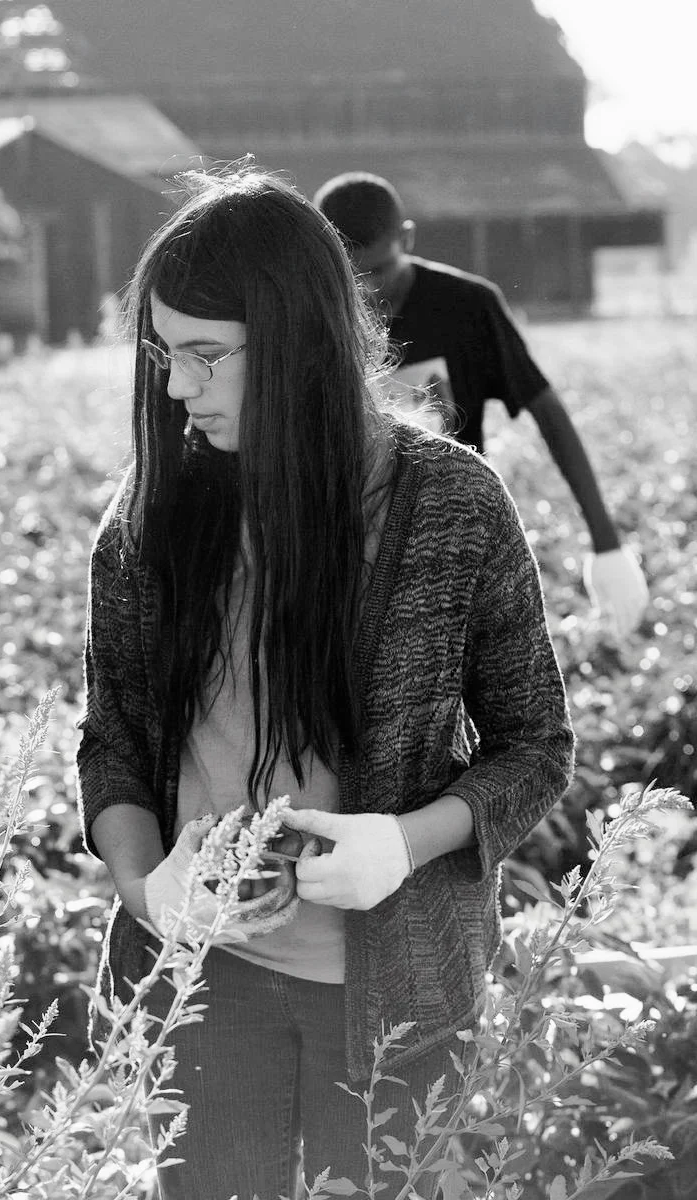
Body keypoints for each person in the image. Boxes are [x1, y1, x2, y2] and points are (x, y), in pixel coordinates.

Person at [76, 168, 575, 1199]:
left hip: (395, 998)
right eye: (165, 354)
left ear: (300, 345)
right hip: (204, 989)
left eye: (207, 356)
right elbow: (113, 740)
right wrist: (146, 886)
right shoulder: (152, 515)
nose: (176, 388)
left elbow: (536, 745)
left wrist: (405, 841)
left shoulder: (450, 505)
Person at [313, 170, 648, 639]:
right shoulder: (312, 320)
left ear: (406, 239)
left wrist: (606, 542)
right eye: (352, 277)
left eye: (380, 272)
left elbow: (547, 411)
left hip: (454, 542)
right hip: (344, 553)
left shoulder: (467, 307)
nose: (369, 293)